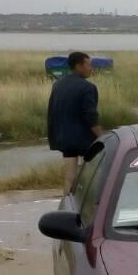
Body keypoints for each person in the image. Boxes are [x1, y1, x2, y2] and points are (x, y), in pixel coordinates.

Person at [47, 52, 103, 194]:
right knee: (91, 176)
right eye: (89, 65)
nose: (91, 68)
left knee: (69, 177)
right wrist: (102, 138)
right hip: (84, 141)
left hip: (63, 138)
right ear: (79, 66)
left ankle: (67, 206)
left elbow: (53, 111)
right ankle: (91, 205)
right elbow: (91, 116)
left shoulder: (58, 84)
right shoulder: (88, 88)